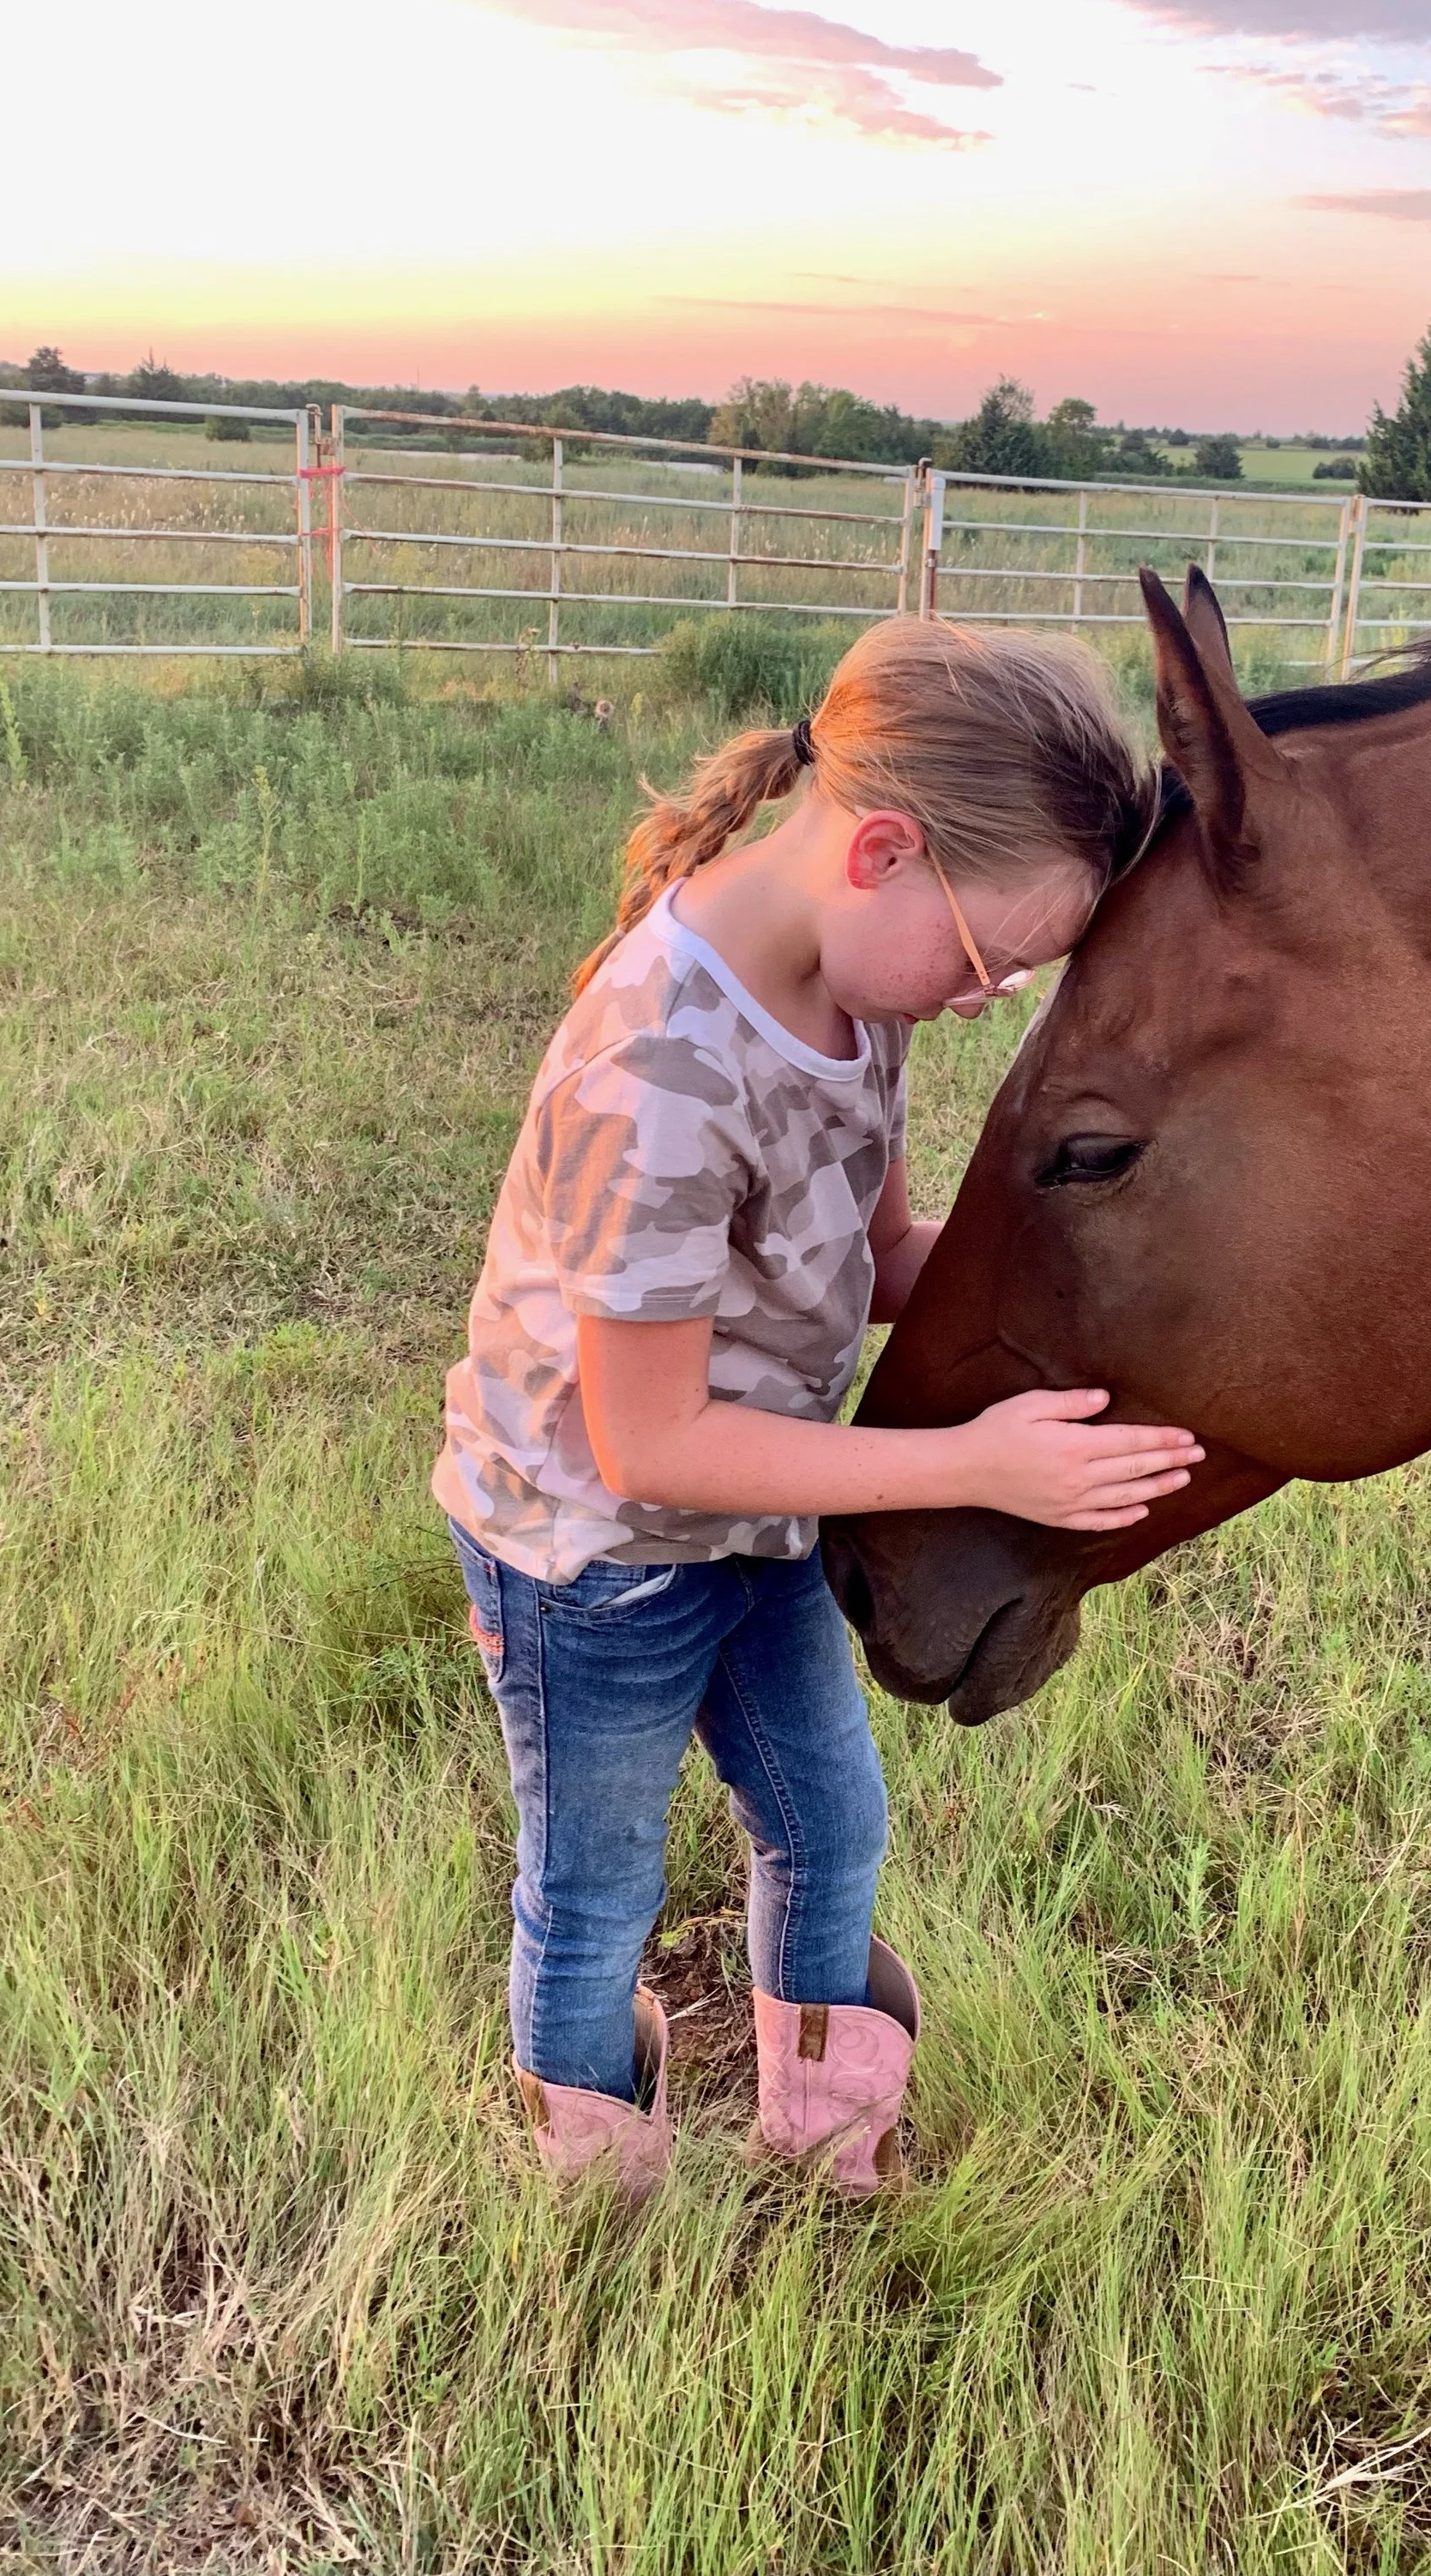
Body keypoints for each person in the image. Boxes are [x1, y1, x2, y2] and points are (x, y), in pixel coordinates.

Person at [437, 617, 1203, 2203]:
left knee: (831, 1826)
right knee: (596, 1889)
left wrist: (1100, 1290)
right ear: (882, 850)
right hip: (591, 1553)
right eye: (993, 961)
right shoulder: (656, 1070)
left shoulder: (872, 1007)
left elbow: (875, 1259)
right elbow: (647, 1442)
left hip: (767, 1509)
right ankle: (597, 2198)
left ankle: (824, 2138)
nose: (987, 1000)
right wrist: (971, 1462)